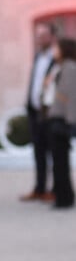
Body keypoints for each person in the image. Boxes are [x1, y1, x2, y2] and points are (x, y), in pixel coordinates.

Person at [21, 22, 57, 201]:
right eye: (37, 35)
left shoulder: (57, 58)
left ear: (52, 37)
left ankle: (55, 189)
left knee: (54, 152)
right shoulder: (37, 57)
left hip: (51, 114)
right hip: (35, 112)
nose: (39, 39)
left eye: (43, 35)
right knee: (39, 152)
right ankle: (40, 188)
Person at [46, 37, 76, 208]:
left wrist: (70, 122)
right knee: (58, 162)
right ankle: (62, 195)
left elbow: (71, 96)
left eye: (56, 48)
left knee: (61, 162)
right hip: (56, 118)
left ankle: (64, 198)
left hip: (62, 120)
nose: (54, 51)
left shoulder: (70, 68)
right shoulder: (60, 67)